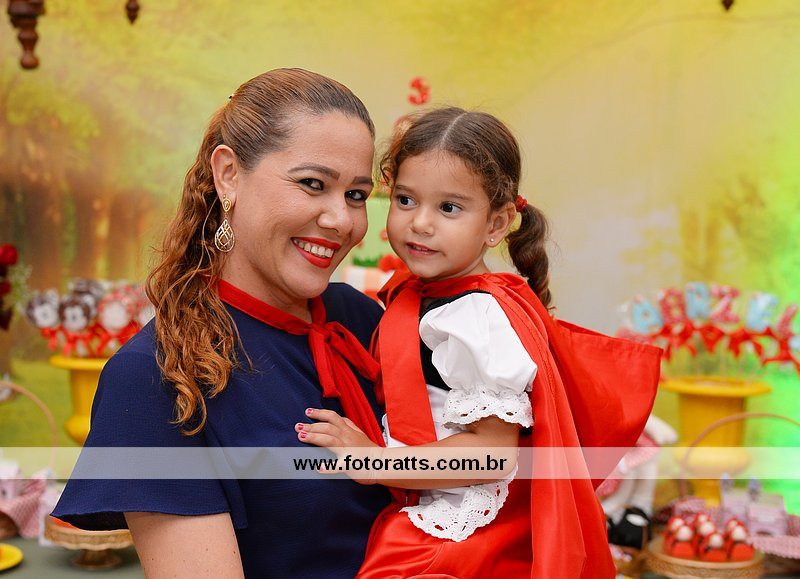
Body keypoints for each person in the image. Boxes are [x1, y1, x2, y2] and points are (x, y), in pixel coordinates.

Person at [52, 68, 391, 578]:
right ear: (229, 173)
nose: (342, 220)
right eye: (312, 184)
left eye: (357, 195)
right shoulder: (153, 377)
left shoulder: (361, 319)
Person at [297, 107, 661, 578]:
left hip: (463, 532)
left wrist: (375, 461)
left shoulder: (474, 317)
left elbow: (491, 455)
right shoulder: (432, 296)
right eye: (405, 200)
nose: (420, 223)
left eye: (449, 208)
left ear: (496, 225)